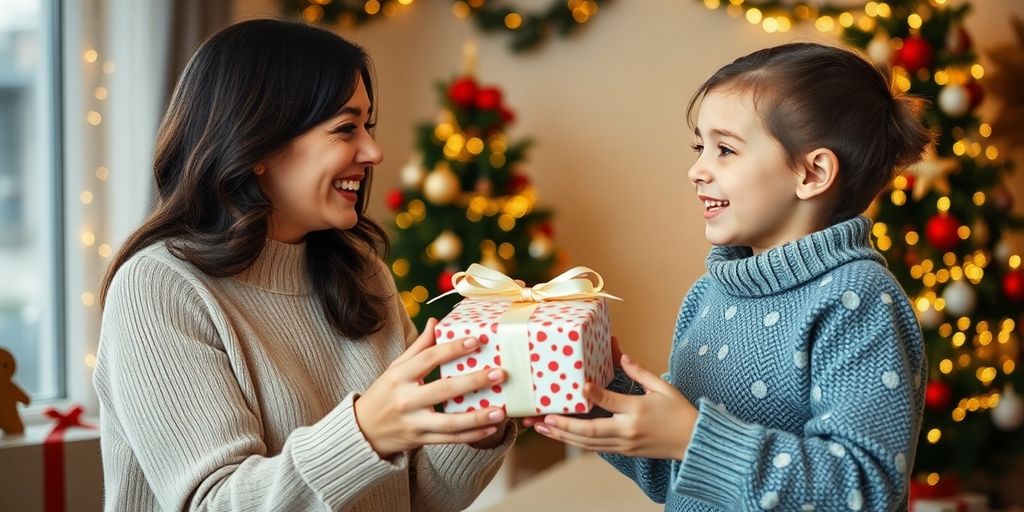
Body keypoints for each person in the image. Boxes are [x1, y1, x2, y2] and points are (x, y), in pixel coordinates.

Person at [93, 19, 514, 511]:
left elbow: (414, 499)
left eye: (368, 127)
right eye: (345, 129)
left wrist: (478, 428)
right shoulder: (159, 287)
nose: (374, 152)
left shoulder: (361, 272)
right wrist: (365, 432)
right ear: (259, 146)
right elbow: (213, 505)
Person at [526, 42, 930, 511]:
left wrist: (691, 437)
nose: (697, 170)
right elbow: (674, 476)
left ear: (812, 172)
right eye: (701, 147)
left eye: (725, 149)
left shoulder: (856, 298)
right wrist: (594, 393)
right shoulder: (709, 295)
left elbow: (862, 487)